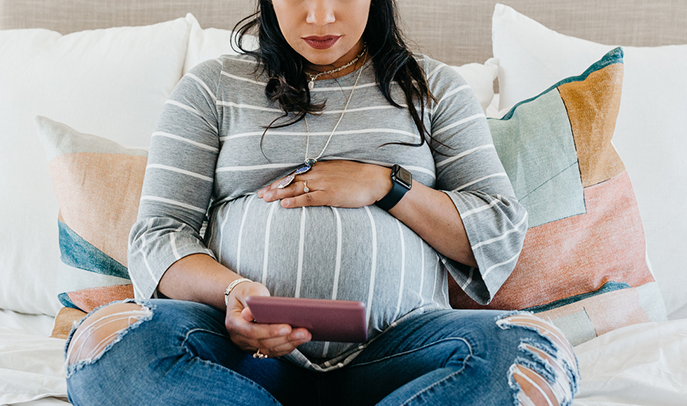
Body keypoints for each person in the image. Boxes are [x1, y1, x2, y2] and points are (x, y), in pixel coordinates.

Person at [63, 0, 579, 405]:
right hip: (241, 356)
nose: (320, 16)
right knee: (109, 345)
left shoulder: (434, 89)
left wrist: (387, 185)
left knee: (533, 353)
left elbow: (499, 232)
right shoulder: (211, 88)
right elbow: (156, 235)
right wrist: (233, 294)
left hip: (402, 351)